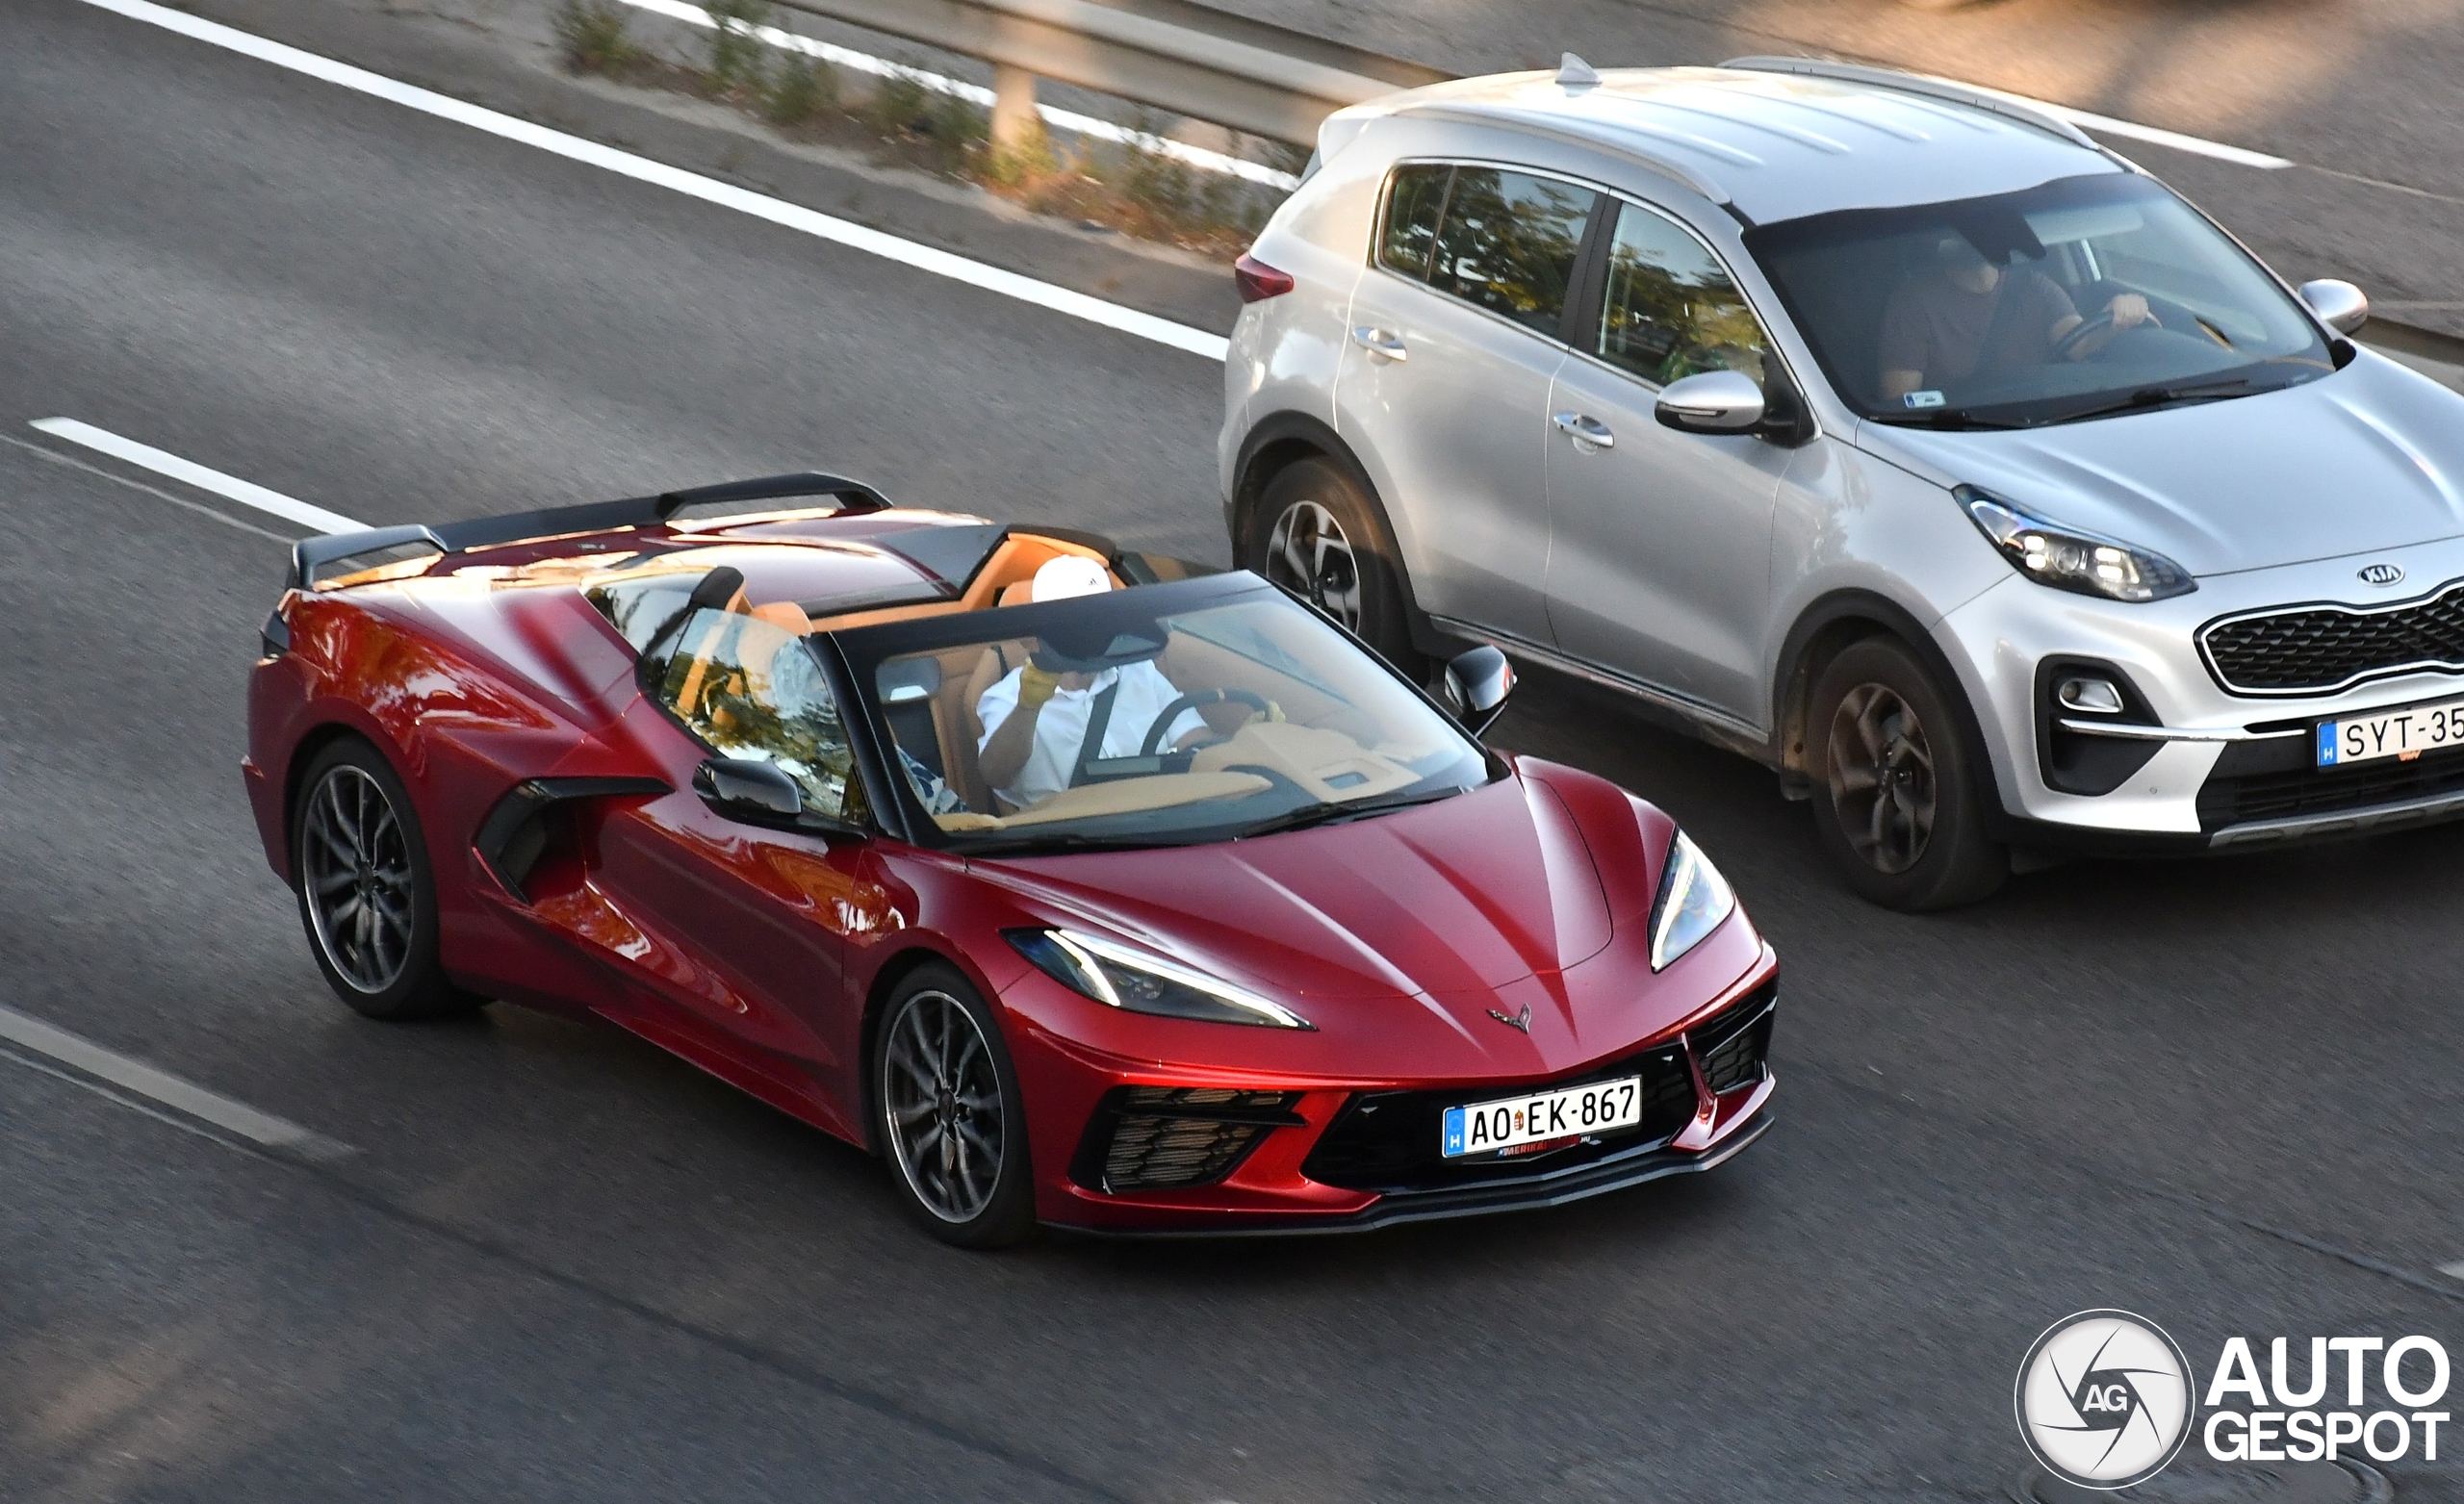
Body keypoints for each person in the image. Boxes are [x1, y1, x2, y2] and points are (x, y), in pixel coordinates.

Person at [975, 556, 1208, 810]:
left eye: (1099, 619)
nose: (1091, 631)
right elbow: (995, 775)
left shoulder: (1141, 672)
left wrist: (1233, 751)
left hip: (1164, 820)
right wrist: (1028, 706)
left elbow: (1195, 741)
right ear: (1041, 630)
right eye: (1074, 622)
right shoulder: (1007, 698)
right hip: (1072, 837)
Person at [1879, 232, 2151, 401]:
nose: (1980, 242)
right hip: (1962, 432)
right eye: (1969, 234)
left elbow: (2079, 344)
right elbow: (1900, 400)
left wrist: (2119, 315)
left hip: (2045, 417)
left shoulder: (2034, 287)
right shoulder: (1913, 302)